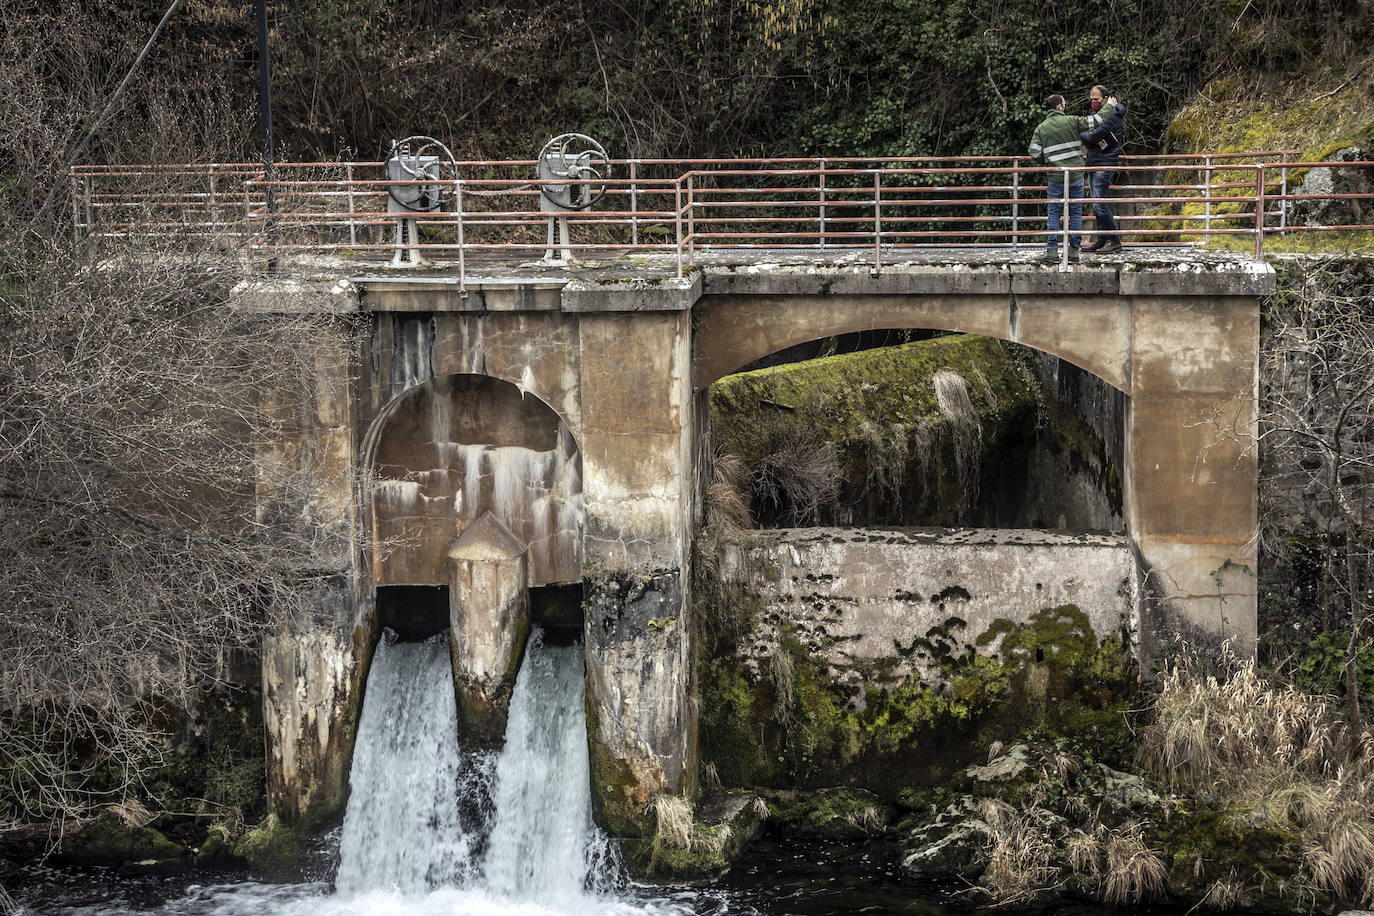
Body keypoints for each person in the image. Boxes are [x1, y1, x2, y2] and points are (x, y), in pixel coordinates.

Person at [1027, 92, 1117, 262]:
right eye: (1064, 103)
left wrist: (1047, 162)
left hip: (1055, 176)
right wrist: (1109, 106)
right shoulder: (1072, 121)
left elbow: (1033, 152)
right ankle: (1074, 251)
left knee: (1053, 213)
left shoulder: (1041, 128)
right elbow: (1096, 121)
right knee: (1075, 212)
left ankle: (1052, 251)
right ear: (1059, 106)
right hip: (1075, 175)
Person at [1081, 85, 1127, 253]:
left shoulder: (1111, 115)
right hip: (1094, 162)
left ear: (1106, 99)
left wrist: (1084, 135)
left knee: (1099, 203)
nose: (1093, 102)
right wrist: (1087, 136)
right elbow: (1089, 135)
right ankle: (1102, 238)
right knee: (1095, 204)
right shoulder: (1097, 115)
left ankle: (1114, 240)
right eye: (1091, 99)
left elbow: (1091, 136)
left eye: (1096, 99)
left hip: (1105, 163)